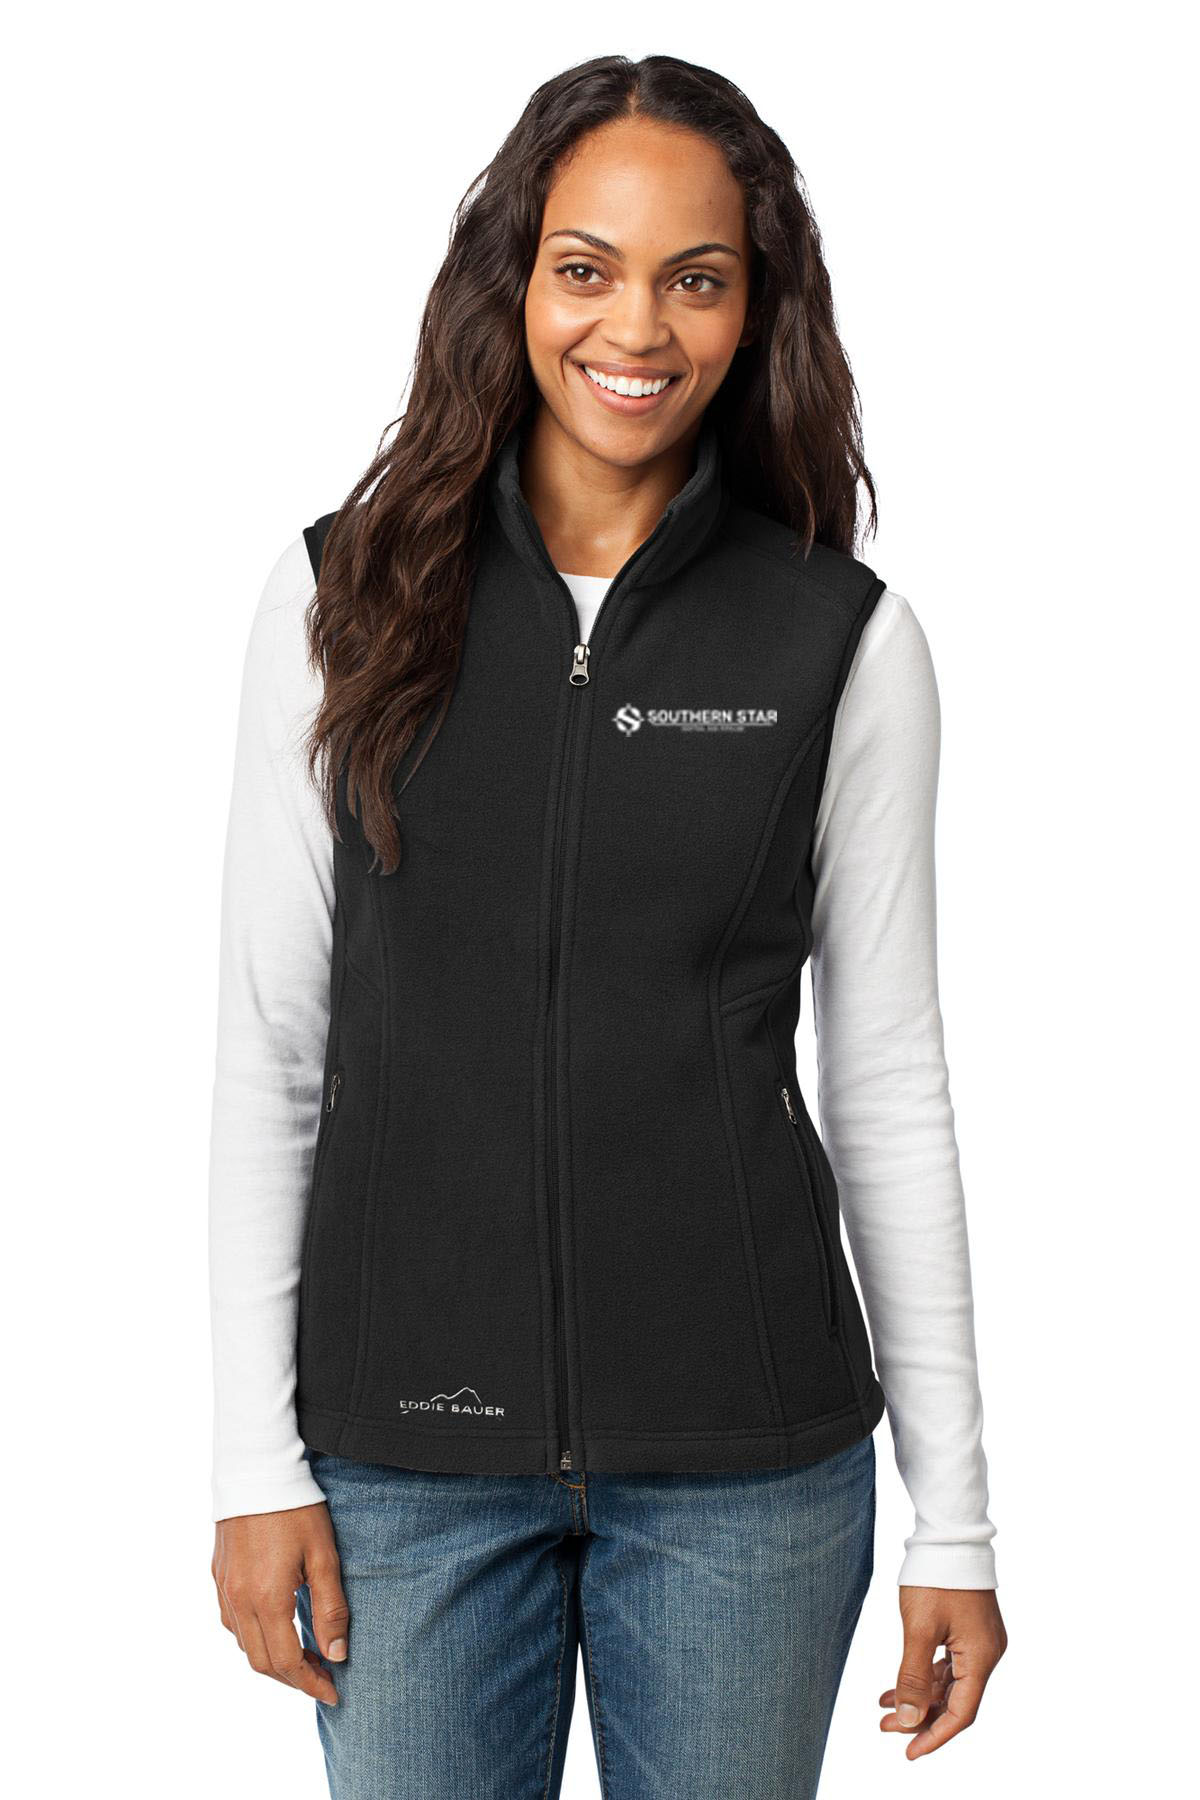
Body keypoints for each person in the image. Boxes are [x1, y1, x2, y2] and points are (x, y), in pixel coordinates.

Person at [208, 52, 1007, 1800]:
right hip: (407, 1465)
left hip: (748, 1476)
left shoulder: (839, 639)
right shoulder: (344, 599)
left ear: (755, 306)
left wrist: (957, 1515)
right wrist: (251, 1464)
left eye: (694, 278)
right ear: (515, 279)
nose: (634, 327)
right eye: (587, 268)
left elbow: (886, 1079)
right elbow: (274, 1048)